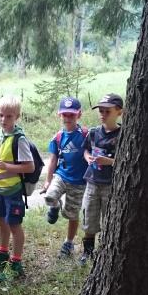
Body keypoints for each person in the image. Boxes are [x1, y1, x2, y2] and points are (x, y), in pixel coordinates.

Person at [0, 96, 35, 281]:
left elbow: (29, 167)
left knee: (14, 225)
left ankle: (16, 262)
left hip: (13, 191)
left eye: (9, 116)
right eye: (1, 115)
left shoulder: (19, 140)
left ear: (17, 116)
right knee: (1, 222)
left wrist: (7, 167)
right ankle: (2, 255)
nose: (4, 119)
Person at [80, 93, 123, 265]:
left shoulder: (123, 134)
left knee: (108, 218)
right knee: (89, 216)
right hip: (92, 181)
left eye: (107, 111)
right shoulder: (93, 133)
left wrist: (110, 161)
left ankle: (106, 251)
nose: (103, 115)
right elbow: (86, 150)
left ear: (119, 112)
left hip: (110, 184)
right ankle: (88, 251)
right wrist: (88, 158)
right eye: (101, 111)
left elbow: (127, 160)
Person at [43, 97, 89, 258]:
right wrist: (48, 180)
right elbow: (53, 159)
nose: (68, 118)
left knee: (72, 214)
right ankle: (55, 206)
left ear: (79, 115)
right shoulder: (58, 137)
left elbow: (91, 153)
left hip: (79, 182)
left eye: (72, 115)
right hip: (61, 176)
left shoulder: (85, 135)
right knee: (49, 196)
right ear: (59, 115)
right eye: (65, 115)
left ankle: (68, 243)